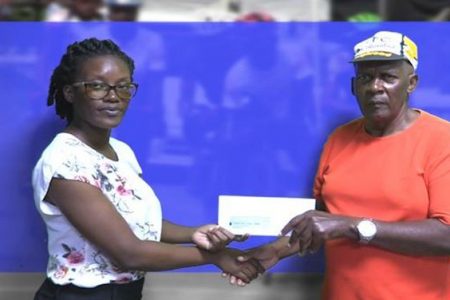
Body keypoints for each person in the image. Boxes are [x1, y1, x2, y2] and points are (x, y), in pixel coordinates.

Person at [32, 38, 263, 300]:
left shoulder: (121, 151)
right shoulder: (65, 161)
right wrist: (216, 256)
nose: (113, 96)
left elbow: (135, 222)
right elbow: (129, 253)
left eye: (123, 87)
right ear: (69, 93)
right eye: (97, 86)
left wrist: (194, 233)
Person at [234, 31, 450, 299]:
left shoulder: (442, 141)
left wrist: (353, 226)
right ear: (353, 87)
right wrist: (276, 250)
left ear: (411, 83)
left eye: (388, 77)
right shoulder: (339, 138)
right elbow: (323, 220)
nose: (375, 87)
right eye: (365, 78)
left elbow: (446, 235)